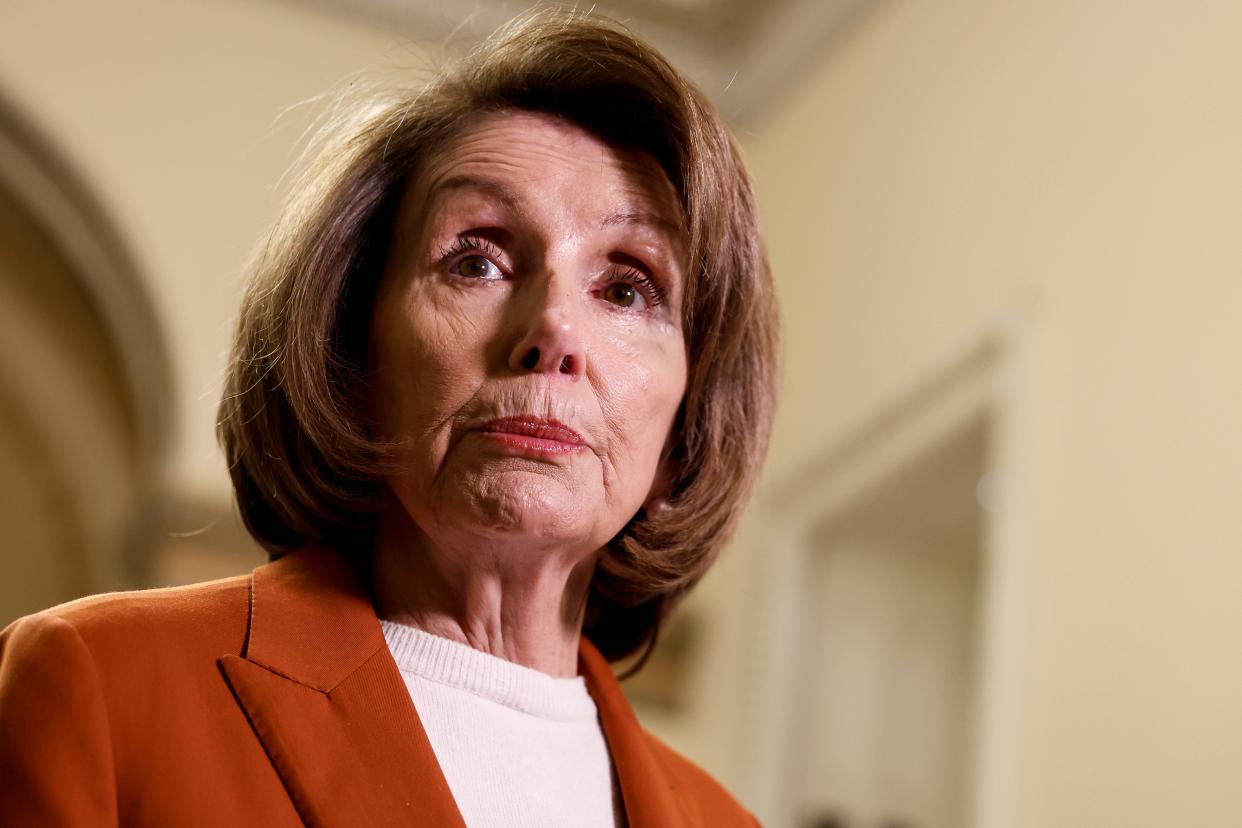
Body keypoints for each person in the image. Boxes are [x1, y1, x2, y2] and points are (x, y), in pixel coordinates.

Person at [0, 9, 779, 826]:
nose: (552, 331)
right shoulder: (101, 684)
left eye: (626, 288)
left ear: (686, 425)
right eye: (477, 260)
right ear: (353, 351)